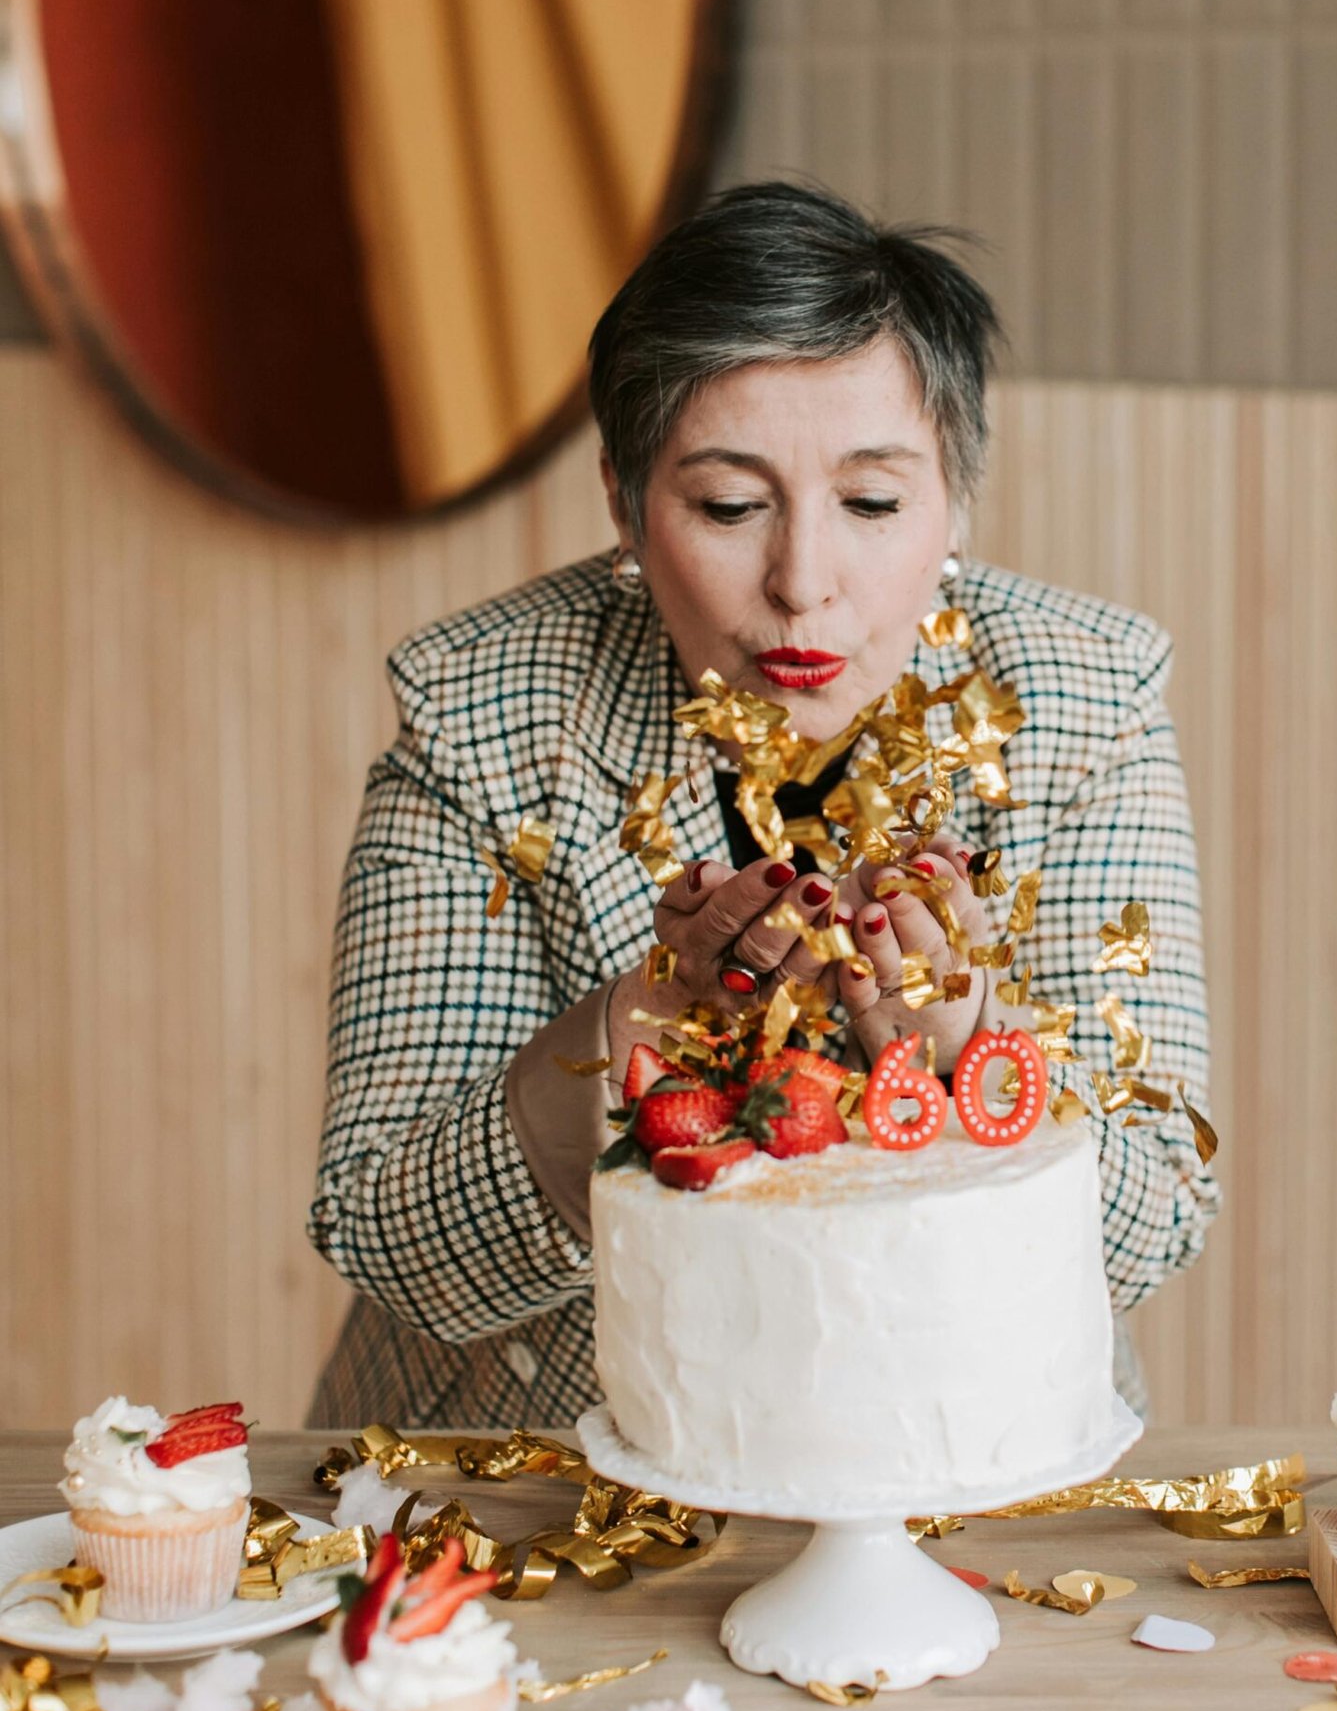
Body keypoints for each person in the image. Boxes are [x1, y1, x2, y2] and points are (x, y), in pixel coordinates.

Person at [306, 180, 1218, 1429]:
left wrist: (960, 1041)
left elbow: (1152, 1226)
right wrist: (632, 1033)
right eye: (730, 506)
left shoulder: (1084, 703)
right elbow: (385, 1232)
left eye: (873, 504)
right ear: (627, 505)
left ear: (956, 501)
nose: (802, 583)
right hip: (536, 1470)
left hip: (971, 1453)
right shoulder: (482, 710)